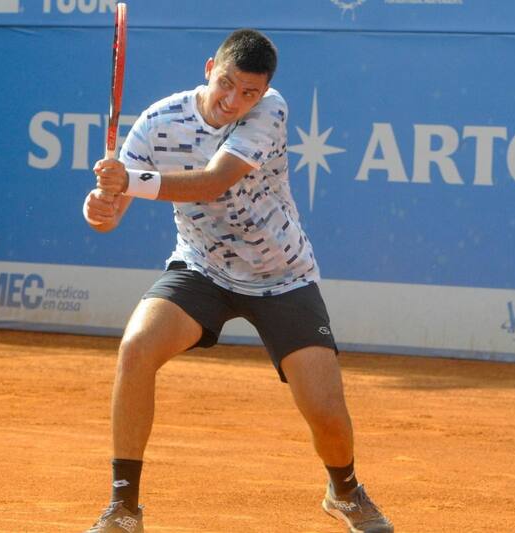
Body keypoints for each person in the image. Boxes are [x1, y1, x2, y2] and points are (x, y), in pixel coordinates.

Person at [82, 29, 393, 533]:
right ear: (209, 68)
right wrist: (100, 207)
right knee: (137, 347)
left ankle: (345, 491)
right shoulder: (158, 122)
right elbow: (109, 213)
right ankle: (122, 507)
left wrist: (130, 182)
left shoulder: (269, 110)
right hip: (202, 268)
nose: (235, 101)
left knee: (327, 414)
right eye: (227, 84)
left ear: (263, 90)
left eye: (249, 91)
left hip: (283, 275)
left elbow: (212, 182)